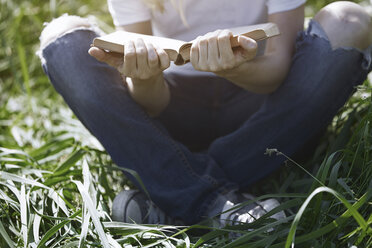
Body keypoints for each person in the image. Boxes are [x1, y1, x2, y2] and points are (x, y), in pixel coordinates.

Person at [38, 0, 372, 226]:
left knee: (349, 19)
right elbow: (150, 103)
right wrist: (146, 74)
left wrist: (231, 69)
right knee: (61, 39)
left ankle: (169, 189)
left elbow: (275, 73)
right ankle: (215, 202)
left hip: (260, 109)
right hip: (173, 109)